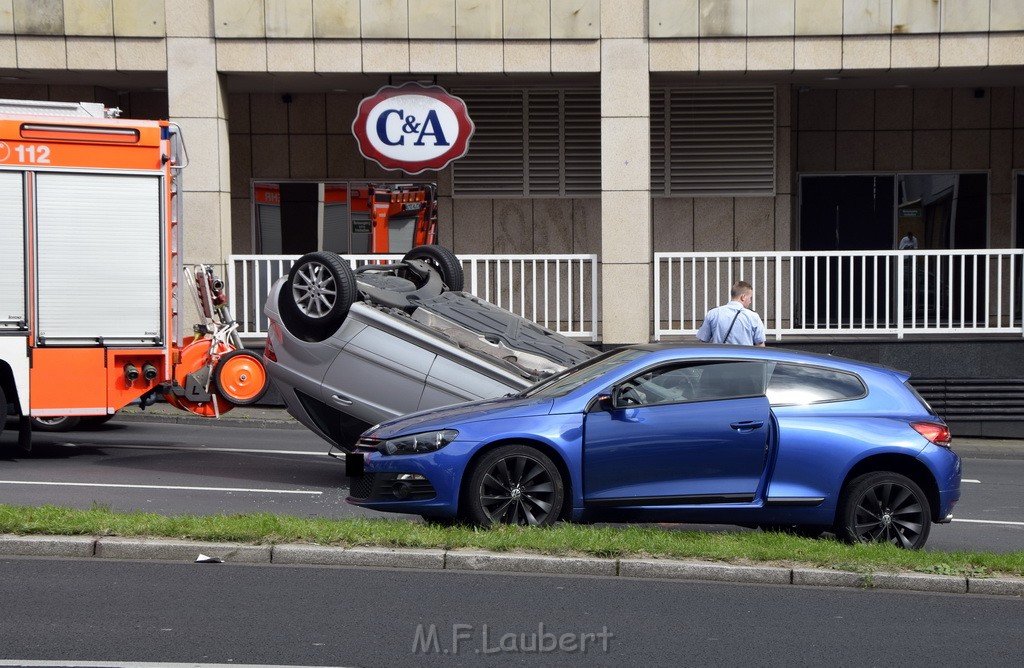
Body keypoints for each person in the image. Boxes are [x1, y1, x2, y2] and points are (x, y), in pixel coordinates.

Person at [696, 280, 766, 346]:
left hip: (719, 357)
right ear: (743, 297)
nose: (750, 301)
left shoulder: (713, 313)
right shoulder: (753, 317)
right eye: (750, 298)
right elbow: (760, 344)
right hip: (744, 358)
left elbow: (702, 342)